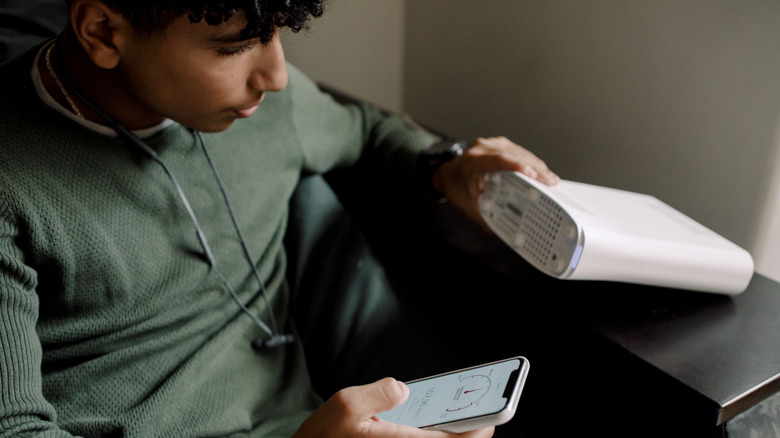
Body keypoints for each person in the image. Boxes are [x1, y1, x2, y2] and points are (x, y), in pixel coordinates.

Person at [0, 1, 559, 437]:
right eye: (235, 47)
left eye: (274, 33)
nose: (276, 75)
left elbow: (367, 131)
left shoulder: (262, 112)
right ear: (101, 30)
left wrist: (448, 166)